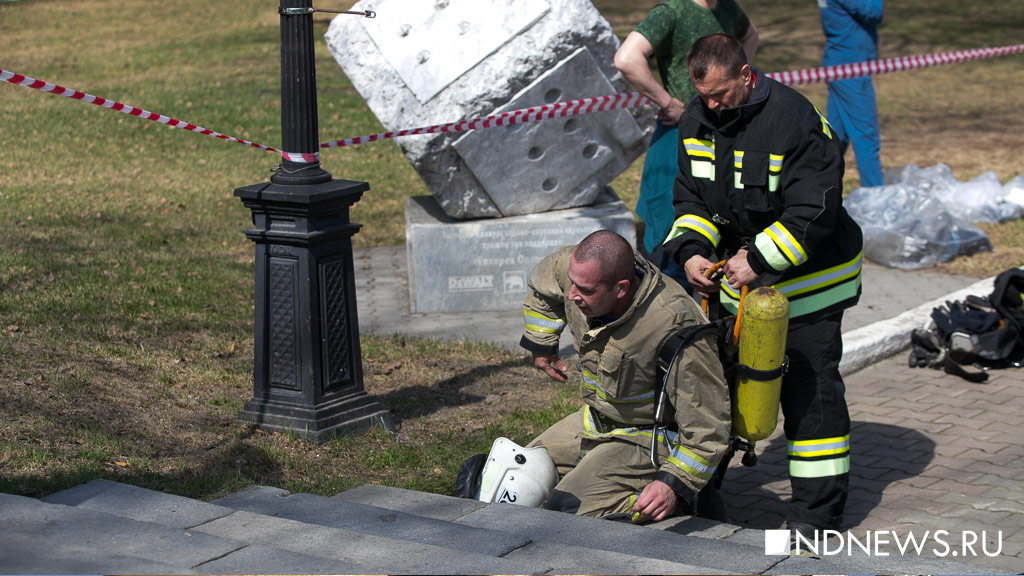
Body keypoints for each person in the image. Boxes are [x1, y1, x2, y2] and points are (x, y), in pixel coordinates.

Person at [662, 34, 863, 535]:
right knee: (719, 395)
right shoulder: (697, 120)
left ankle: (816, 521)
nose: (711, 105)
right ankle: (701, 499)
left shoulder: (794, 121)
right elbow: (691, 199)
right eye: (703, 95)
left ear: (747, 76)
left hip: (811, 283)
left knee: (809, 400)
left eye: (722, 95)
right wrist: (692, 252)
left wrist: (759, 258)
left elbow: (814, 211)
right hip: (744, 286)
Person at [520, 229, 731, 523]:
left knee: (568, 508)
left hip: (650, 437)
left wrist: (674, 485)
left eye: (585, 290)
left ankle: (682, 504)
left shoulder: (674, 326)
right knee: (518, 481)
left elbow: (709, 428)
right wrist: (541, 343)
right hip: (595, 421)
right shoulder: (580, 272)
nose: (572, 294)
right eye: (572, 283)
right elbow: (546, 283)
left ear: (620, 288)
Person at [614, 0, 758, 260]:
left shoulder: (726, 7)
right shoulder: (672, 12)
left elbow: (750, 35)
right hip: (679, 137)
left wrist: (737, 84)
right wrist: (667, 102)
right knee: (672, 235)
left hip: (722, 136)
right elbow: (626, 58)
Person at [819, 0, 885, 188]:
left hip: (842, 63)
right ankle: (876, 196)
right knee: (865, 135)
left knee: (835, 138)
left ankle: (818, 187)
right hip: (850, 67)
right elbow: (873, 12)